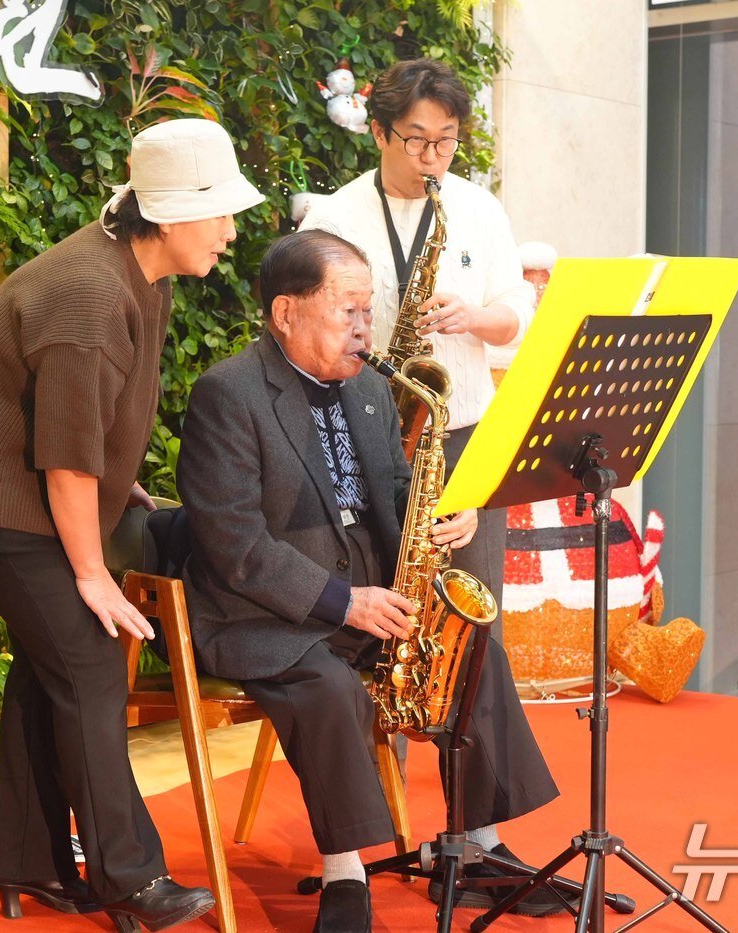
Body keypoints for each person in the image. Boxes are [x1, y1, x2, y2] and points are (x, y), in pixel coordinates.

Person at [0, 118, 264, 931]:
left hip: (33, 483)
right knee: (91, 660)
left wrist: (121, 487)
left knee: (52, 664)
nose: (231, 231)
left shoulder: (145, 272)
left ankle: (30, 862)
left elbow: (97, 415)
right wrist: (93, 574)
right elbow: (66, 460)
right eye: (219, 212)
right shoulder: (90, 296)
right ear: (167, 214)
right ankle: (128, 877)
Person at [177, 231, 562, 932]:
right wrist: (342, 602)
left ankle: (479, 848)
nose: (364, 329)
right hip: (265, 614)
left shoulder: (372, 393)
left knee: (475, 654)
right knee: (327, 688)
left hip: (370, 602)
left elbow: (395, 491)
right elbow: (235, 543)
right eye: (346, 311)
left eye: (367, 311)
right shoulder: (227, 394)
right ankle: (345, 874)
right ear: (285, 312)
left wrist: (446, 511)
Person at [300, 58, 538, 639]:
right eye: (416, 140)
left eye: (446, 142)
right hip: (365, 436)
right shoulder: (333, 217)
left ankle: (470, 702)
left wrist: (475, 317)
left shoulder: (478, 209)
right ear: (379, 133)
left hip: (460, 439)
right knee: (382, 615)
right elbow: (305, 334)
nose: (432, 158)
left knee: (473, 616)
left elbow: (518, 315)